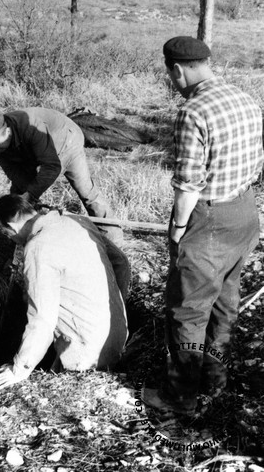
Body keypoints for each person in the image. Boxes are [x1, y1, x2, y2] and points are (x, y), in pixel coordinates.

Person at [142, 36, 262, 416]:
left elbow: (188, 184)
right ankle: (214, 378)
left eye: (170, 74)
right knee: (225, 300)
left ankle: (180, 397)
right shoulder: (245, 98)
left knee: (188, 309)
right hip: (245, 211)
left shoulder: (193, 112)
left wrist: (178, 228)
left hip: (210, 218)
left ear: (177, 70)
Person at [0, 195, 128, 390]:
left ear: (12, 226)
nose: (10, 238)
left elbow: (43, 317)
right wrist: (116, 307)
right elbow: (121, 262)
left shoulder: (38, 247)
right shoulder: (79, 221)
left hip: (84, 355)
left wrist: (20, 368)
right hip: (117, 337)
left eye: (5, 232)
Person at [0, 108, 113, 219]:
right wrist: (25, 194)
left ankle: (112, 239)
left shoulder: (31, 128)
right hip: (33, 148)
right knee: (19, 194)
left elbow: (52, 167)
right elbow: (11, 169)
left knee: (86, 192)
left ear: (7, 132)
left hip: (66, 140)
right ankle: (24, 234)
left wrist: (31, 195)